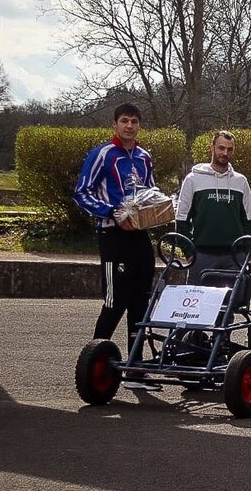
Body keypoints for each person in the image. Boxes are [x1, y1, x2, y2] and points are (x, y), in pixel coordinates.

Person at [73, 103, 157, 387]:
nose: (129, 126)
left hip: (140, 235)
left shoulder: (145, 157)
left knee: (140, 302)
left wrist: (157, 209)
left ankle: (135, 367)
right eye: (124, 121)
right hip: (113, 236)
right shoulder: (102, 154)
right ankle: (93, 366)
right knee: (114, 302)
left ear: (139, 125)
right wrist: (113, 212)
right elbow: (82, 193)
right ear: (115, 124)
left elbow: (150, 193)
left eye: (134, 121)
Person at [175, 130, 251, 284]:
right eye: (221, 148)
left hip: (235, 257)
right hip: (202, 255)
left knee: (235, 299)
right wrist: (189, 252)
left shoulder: (240, 181)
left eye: (230, 149)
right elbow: (181, 219)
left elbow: (250, 220)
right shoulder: (193, 179)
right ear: (211, 147)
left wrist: (246, 253)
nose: (225, 153)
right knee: (197, 299)